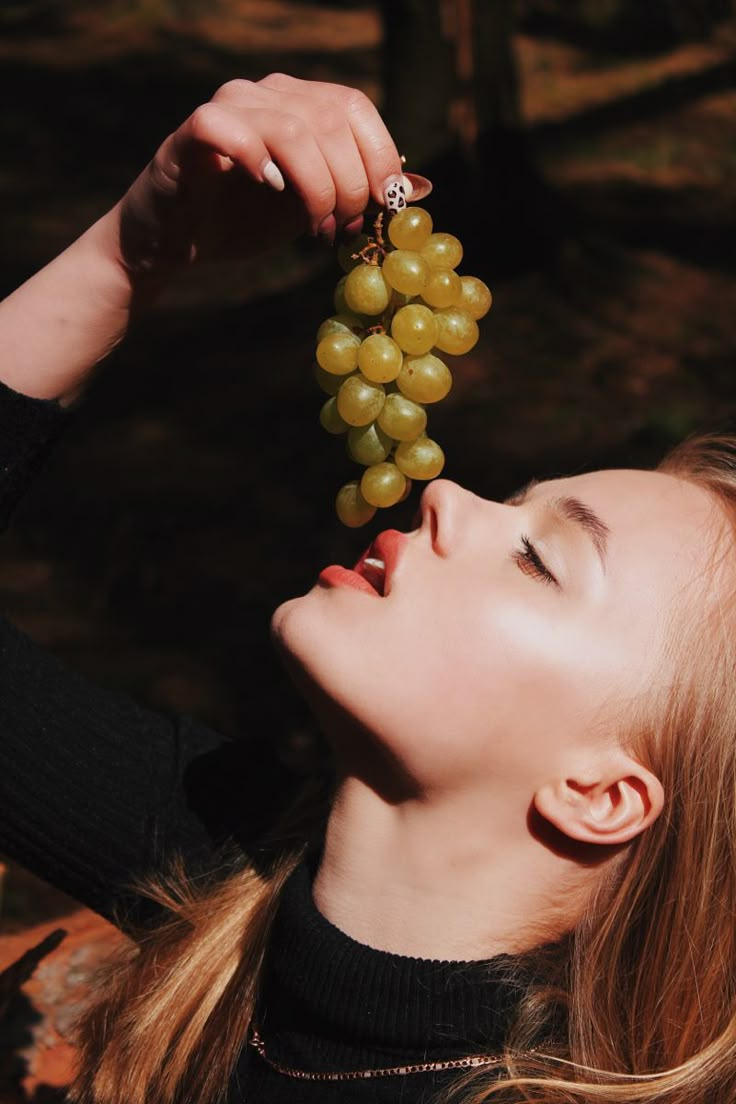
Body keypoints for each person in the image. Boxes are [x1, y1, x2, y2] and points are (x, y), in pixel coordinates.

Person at [0, 74, 734, 1104]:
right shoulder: (230, 870)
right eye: (515, 504)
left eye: (538, 559)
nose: (445, 497)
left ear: (600, 795)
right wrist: (133, 249)